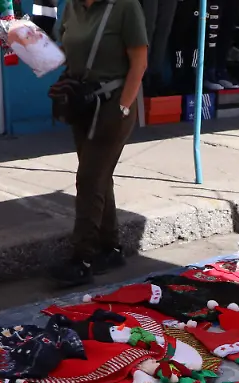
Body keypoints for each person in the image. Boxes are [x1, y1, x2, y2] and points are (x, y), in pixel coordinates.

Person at [50, 0, 149, 287]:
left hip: (113, 106)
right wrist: (33, 47)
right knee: (99, 178)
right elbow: (67, 52)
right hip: (83, 103)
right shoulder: (72, 7)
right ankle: (112, 247)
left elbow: (140, 62)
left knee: (89, 179)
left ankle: (82, 259)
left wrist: (123, 108)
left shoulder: (125, 7)